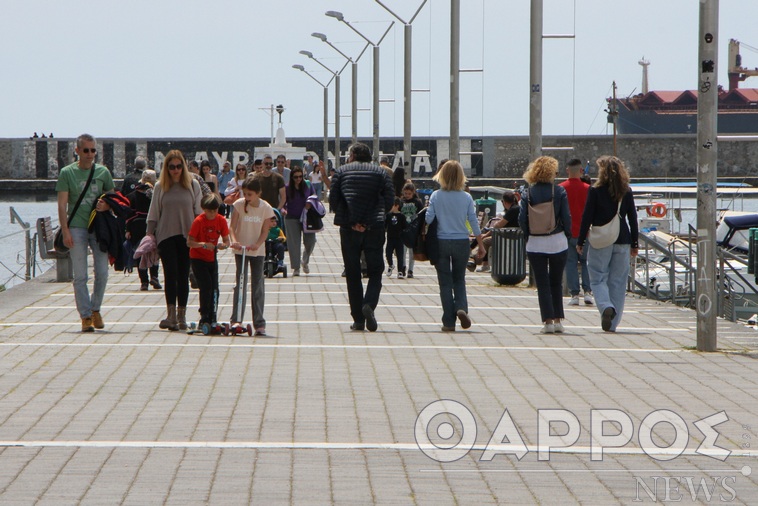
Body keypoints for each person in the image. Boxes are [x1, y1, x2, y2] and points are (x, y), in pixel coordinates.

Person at [329, 142, 394, 332]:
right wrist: (373, 219)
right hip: (374, 227)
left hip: (349, 229)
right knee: (376, 270)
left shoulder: (341, 172)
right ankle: (369, 304)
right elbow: (389, 199)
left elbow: (334, 200)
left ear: (353, 155)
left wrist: (352, 222)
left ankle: (358, 319)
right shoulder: (381, 173)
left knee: (352, 272)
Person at [56, 133, 115, 332]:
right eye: (86, 150)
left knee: (102, 273)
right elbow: (62, 205)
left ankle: (95, 309)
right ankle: (85, 316)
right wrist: (65, 231)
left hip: (98, 228)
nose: (90, 154)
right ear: (77, 151)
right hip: (76, 227)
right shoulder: (67, 173)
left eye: (93, 150)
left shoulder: (103, 172)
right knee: (80, 275)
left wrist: (107, 205)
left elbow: (114, 198)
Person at [577, 156, 639, 332]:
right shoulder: (626, 191)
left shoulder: (595, 191)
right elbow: (633, 219)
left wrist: (581, 240)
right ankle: (612, 325)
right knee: (618, 283)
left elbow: (587, 216)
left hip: (601, 240)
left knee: (597, 277)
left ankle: (606, 306)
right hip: (623, 239)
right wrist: (635, 243)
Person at [146, 150, 202, 331]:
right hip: (166, 236)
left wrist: (201, 236)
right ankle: (171, 316)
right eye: (172, 167)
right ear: (166, 168)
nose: (176, 170)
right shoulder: (160, 186)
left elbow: (199, 212)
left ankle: (181, 316)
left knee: (183, 275)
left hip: (187, 237)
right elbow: (153, 213)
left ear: (183, 167)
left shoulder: (192, 185)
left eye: (179, 166)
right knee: (170, 275)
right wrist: (149, 235)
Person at [426, 160, 484, 332]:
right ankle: (461, 307)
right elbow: (473, 222)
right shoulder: (466, 197)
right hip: (461, 242)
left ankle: (448, 321)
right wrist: (481, 245)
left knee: (445, 282)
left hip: (441, 242)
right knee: (459, 279)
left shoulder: (436, 195)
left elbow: (429, 218)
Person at [518, 156, 572, 334]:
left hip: (535, 243)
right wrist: (567, 234)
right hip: (557, 241)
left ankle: (547, 322)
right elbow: (566, 217)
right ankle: (558, 321)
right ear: (551, 173)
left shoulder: (527, 193)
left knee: (542, 284)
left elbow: (522, 219)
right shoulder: (559, 191)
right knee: (556, 282)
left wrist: (528, 235)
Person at [229, 176, 275, 336]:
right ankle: (236, 319)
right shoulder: (238, 205)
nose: (247, 197)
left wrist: (258, 244)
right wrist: (234, 241)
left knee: (258, 285)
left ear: (258, 193)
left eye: (250, 194)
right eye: (245, 194)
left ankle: (259, 323)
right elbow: (232, 227)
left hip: (257, 251)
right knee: (240, 284)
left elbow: (265, 231)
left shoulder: (265, 208)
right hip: (241, 250)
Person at [187, 194, 230, 326]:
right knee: (206, 286)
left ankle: (213, 314)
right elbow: (190, 242)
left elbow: (227, 240)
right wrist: (203, 244)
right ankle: (204, 315)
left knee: (215, 288)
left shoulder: (221, 220)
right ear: (204, 209)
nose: (212, 214)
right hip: (198, 258)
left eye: (215, 211)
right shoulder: (199, 221)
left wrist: (223, 245)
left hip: (212, 257)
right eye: (209, 211)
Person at [559, 158, 593, 305]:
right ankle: (588, 292)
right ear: (581, 170)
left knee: (570, 263)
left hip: (567, 233)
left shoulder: (560, 188)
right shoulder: (588, 189)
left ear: (567, 170)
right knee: (586, 263)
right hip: (585, 233)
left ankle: (574, 295)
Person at [126, 169, 161, 291]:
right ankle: (154, 276)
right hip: (153, 226)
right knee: (154, 251)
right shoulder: (155, 194)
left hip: (136, 227)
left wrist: (127, 230)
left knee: (140, 252)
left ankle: (144, 282)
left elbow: (129, 214)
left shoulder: (132, 195)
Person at [476, 190, 520, 272]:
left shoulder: (512, 210)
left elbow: (499, 225)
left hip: (508, 238)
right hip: (516, 236)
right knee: (484, 238)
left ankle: (483, 264)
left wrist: (488, 233)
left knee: (485, 241)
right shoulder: (517, 208)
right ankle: (476, 260)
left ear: (505, 202)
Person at [283, 167, 316, 276]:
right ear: (291, 178)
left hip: (307, 217)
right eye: (296, 177)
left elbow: (314, 197)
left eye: (300, 177)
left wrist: (310, 204)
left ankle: (305, 261)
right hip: (291, 217)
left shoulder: (308, 185)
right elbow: (282, 202)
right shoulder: (287, 188)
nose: (298, 179)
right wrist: (283, 210)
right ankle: (296, 268)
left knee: (311, 241)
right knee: (294, 244)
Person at [399, 182, 424, 279]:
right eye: (405, 193)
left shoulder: (417, 202)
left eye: (409, 194)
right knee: (402, 251)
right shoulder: (401, 202)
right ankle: (403, 267)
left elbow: (421, 214)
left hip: (413, 230)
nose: (407, 195)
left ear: (413, 192)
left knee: (412, 251)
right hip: (403, 229)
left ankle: (411, 270)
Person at [385, 197, 406, 278]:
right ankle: (390, 265)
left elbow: (405, 227)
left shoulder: (402, 216)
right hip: (390, 238)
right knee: (388, 253)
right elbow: (385, 225)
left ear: (397, 206)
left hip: (399, 239)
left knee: (400, 255)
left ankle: (400, 271)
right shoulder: (388, 215)